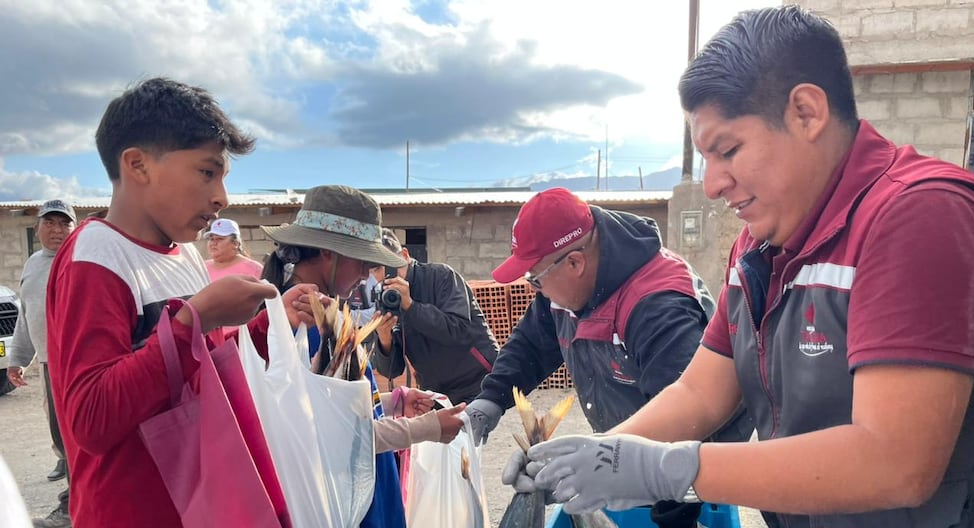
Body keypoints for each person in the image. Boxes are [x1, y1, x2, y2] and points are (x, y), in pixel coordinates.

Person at [521, 6, 974, 527]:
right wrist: (596, 455)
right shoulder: (758, 249)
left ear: (806, 112)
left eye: (728, 150)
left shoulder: (916, 215)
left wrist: (674, 468)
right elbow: (699, 392)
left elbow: (896, 462)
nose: (713, 183)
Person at [46, 77, 315, 528]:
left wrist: (268, 328)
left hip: (197, 502)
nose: (221, 198)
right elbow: (90, 419)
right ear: (137, 164)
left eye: (223, 177)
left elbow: (198, 370)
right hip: (130, 511)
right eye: (207, 172)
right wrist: (196, 317)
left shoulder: (184, 254)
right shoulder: (96, 255)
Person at [472, 187, 750, 527]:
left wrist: (672, 517)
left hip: (688, 479)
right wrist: (491, 400)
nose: (535, 289)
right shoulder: (561, 286)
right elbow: (531, 343)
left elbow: (690, 426)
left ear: (575, 262)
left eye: (535, 279)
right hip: (621, 447)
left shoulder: (658, 307)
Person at [261, 184, 467, 528]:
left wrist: (391, 401)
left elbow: (342, 407)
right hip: (345, 499)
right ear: (329, 253)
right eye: (362, 262)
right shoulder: (302, 324)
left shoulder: (327, 314)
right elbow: (334, 436)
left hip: (364, 484)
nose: (364, 275)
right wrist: (425, 428)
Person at [6, 199, 76, 528]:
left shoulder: (80, 260)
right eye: (50, 223)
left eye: (65, 224)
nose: (57, 230)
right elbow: (26, 314)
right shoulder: (34, 264)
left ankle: (72, 507)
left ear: (74, 229)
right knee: (60, 437)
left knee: (76, 436)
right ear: (38, 229)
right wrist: (17, 358)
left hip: (77, 362)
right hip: (50, 365)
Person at [371, 229, 500, 405]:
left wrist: (411, 307)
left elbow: (459, 330)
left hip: (477, 382)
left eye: (392, 264)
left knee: (469, 431)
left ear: (405, 255)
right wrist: (384, 341)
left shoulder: (441, 276)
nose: (388, 274)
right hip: (437, 394)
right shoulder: (385, 301)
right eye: (378, 268)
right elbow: (392, 371)